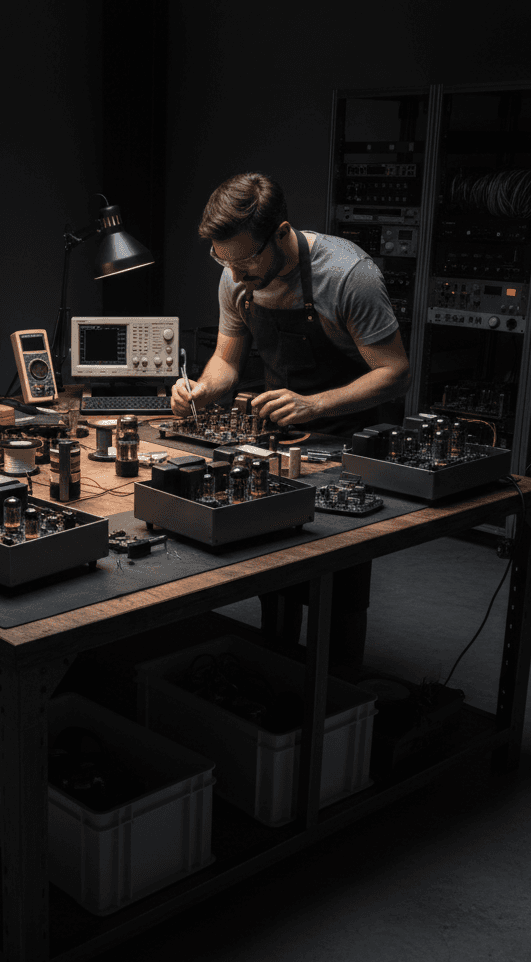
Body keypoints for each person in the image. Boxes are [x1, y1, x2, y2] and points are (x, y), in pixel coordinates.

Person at [170, 173, 412, 675]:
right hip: (288, 429)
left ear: (280, 234)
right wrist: (201, 390)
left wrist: (316, 406)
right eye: (224, 261)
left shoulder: (348, 276)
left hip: (353, 431)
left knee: (337, 565)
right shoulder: (237, 273)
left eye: (245, 261)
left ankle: (337, 687)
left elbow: (395, 374)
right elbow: (226, 362)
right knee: (276, 552)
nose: (235, 275)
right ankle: (277, 665)